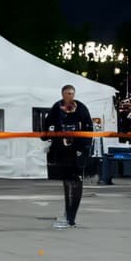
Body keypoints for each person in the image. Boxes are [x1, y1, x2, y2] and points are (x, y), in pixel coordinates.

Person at [43, 84, 92, 229]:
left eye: (72, 93)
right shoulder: (57, 107)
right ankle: (68, 215)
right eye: (67, 94)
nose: (70, 96)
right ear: (63, 95)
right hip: (62, 150)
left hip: (77, 149)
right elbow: (47, 123)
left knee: (76, 182)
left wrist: (85, 147)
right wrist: (45, 137)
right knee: (66, 182)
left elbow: (88, 127)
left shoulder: (81, 108)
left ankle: (71, 217)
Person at [100, 95, 131, 185]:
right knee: (108, 152)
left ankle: (105, 178)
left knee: (107, 154)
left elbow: (128, 129)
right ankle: (106, 178)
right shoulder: (129, 116)